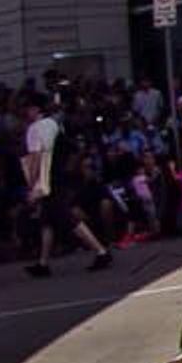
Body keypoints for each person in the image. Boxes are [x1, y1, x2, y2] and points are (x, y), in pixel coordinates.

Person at [21, 94, 111, 276]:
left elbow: (36, 158)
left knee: (66, 217)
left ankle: (101, 251)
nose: (26, 112)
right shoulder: (53, 124)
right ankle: (43, 263)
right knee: (47, 220)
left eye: (28, 108)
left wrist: (31, 182)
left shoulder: (34, 129)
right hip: (58, 174)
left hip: (47, 178)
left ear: (35, 109)